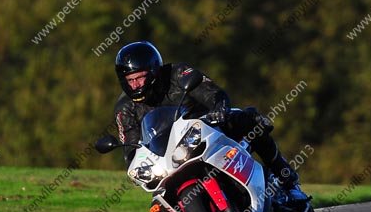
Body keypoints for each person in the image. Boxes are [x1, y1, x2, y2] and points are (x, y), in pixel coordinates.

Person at [112, 40, 303, 195]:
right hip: (169, 157)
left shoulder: (177, 73)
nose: (135, 85)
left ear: (153, 71)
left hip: (207, 128)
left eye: (140, 77)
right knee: (159, 202)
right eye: (130, 80)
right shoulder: (125, 108)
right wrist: (135, 168)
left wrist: (218, 108)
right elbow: (131, 147)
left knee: (250, 121)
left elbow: (212, 93)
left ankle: (284, 173)